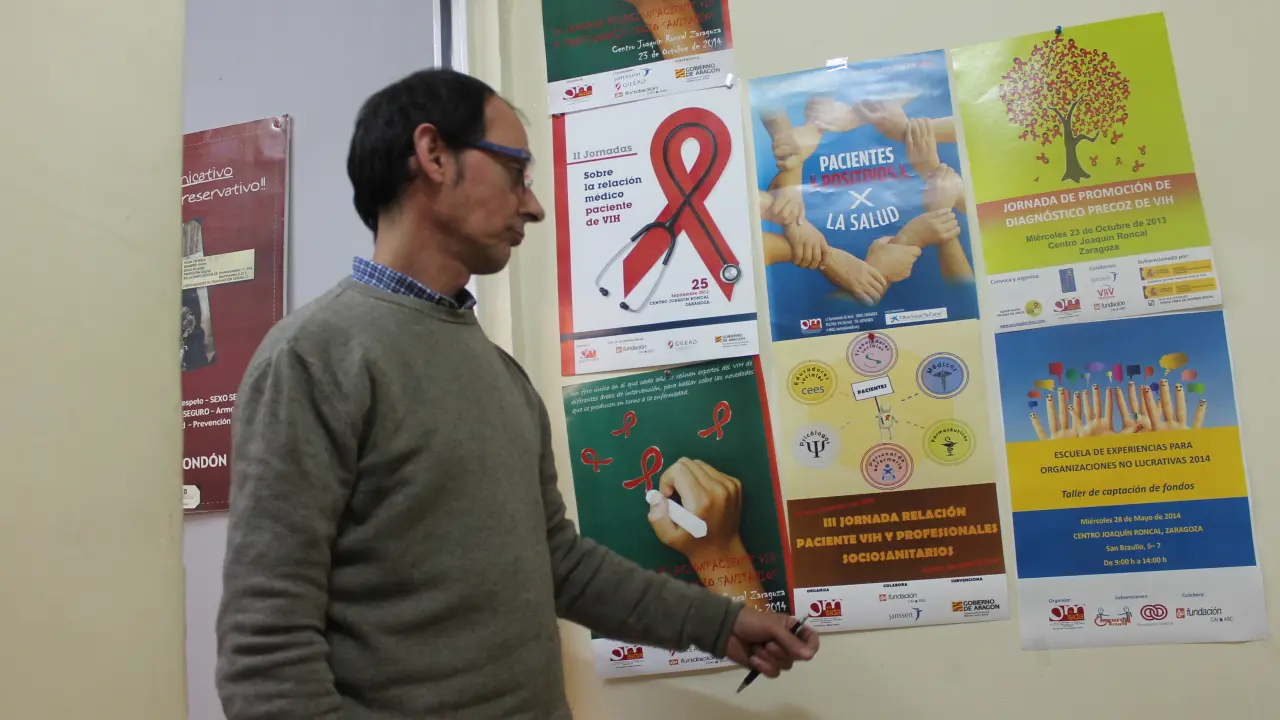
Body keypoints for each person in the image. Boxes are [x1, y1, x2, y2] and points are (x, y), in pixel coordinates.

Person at [215, 68, 819, 720]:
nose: (533, 206)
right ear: (434, 155)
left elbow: (557, 562)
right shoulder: (313, 358)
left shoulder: (498, 372)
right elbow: (267, 656)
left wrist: (720, 623)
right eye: (516, 172)